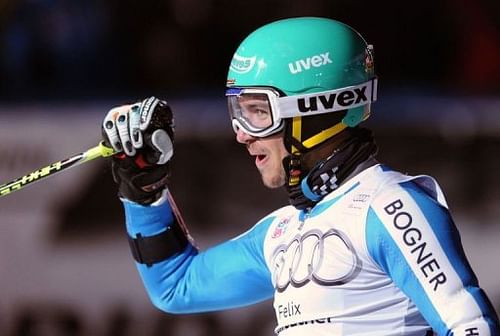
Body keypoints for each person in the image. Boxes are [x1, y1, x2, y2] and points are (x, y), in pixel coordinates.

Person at [101, 17, 499, 335]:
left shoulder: (389, 205)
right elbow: (175, 287)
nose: (241, 133)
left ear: (317, 109)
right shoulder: (282, 232)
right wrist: (144, 190)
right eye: (237, 112)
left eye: (258, 112)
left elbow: (471, 326)